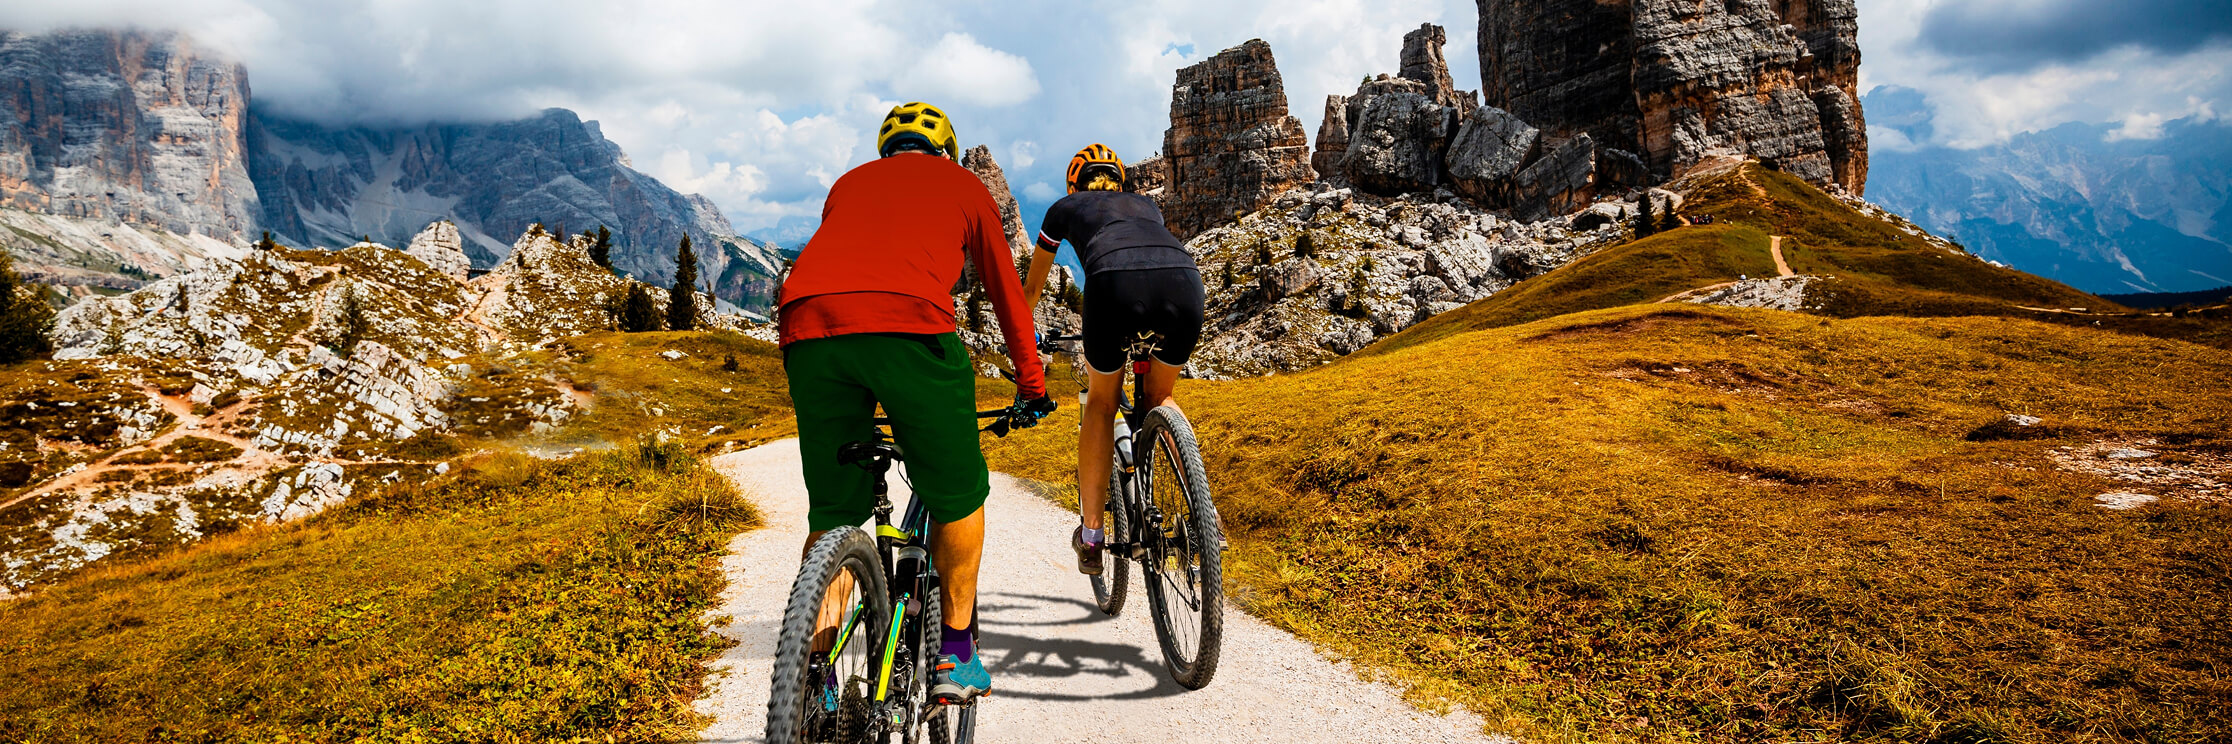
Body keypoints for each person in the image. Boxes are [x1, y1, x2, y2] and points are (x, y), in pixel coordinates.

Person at [776, 101, 1056, 704]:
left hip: (807, 327)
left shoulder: (846, 183)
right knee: (958, 491)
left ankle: (813, 684)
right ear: (946, 151)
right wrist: (1032, 385)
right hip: (910, 325)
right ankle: (956, 655)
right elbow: (1008, 293)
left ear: (887, 150)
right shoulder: (964, 184)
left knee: (833, 511)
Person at [1021, 144, 1205, 576]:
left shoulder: (1063, 208)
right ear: (1120, 182)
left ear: (1075, 184)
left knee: (1102, 402)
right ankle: (1203, 516)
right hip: (1184, 280)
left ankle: (1092, 535)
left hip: (1111, 284)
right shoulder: (1146, 206)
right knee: (1161, 396)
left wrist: (1022, 339)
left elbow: (1030, 291)